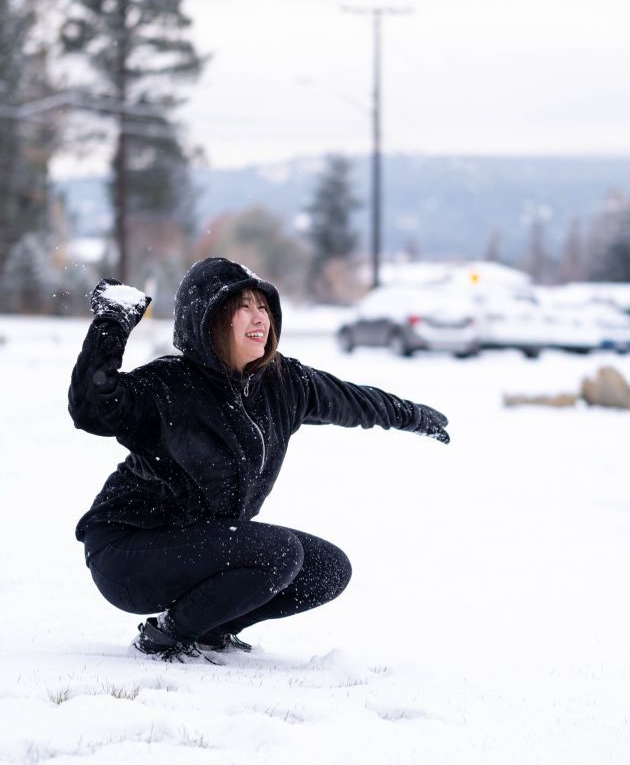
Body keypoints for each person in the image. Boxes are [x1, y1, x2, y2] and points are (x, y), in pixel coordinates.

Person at [69, 256, 450, 661]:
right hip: (129, 550)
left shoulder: (283, 383)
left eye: (263, 307)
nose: (259, 318)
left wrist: (413, 415)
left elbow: (351, 400)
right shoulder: (169, 386)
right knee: (280, 552)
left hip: (200, 544)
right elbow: (92, 406)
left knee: (327, 569)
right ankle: (166, 636)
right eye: (243, 308)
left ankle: (209, 629)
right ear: (210, 317)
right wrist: (112, 323)